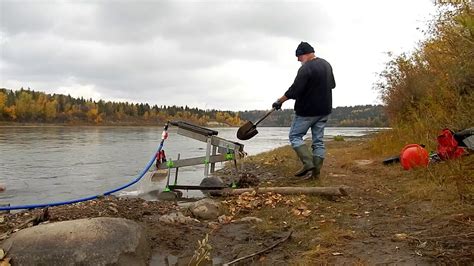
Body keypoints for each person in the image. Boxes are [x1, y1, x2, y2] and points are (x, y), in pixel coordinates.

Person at [272, 41, 335, 179]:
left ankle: (308, 163)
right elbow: (333, 85)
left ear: (305, 54)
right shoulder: (326, 65)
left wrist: (279, 101)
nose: (298, 60)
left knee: (295, 136)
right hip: (324, 110)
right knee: (318, 141)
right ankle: (315, 175)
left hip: (306, 111)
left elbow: (294, 90)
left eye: (299, 57)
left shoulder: (306, 68)